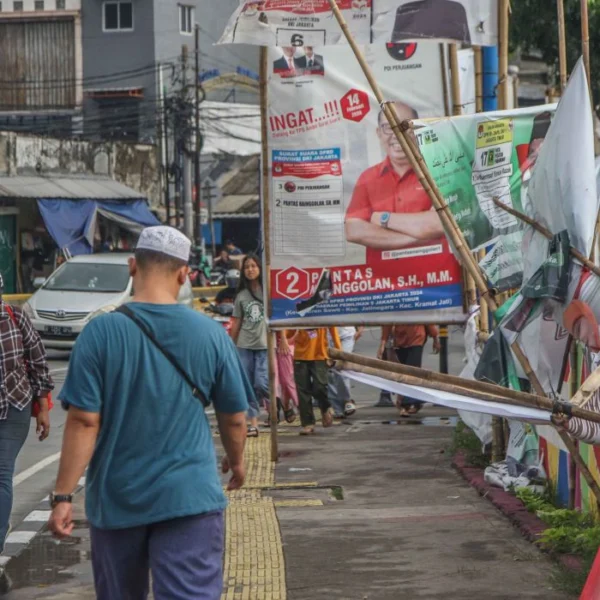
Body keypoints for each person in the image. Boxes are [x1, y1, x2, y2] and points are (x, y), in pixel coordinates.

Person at [48, 226, 252, 600]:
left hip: (118, 498)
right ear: (184, 274)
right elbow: (234, 417)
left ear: (131, 266)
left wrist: (63, 497)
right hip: (188, 498)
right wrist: (237, 462)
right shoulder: (211, 334)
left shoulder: (99, 333)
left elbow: (83, 422)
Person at [345, 101, 445, 262]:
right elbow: (353, 230)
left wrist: (382, 218)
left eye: (404, 126)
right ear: (378, 133)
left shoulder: (438, 171)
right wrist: (418, 235)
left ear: (417, 130)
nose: (396, 134)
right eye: (387, 127)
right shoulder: (367, 177)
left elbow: (439, 224)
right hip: (380, 280)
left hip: (436, 276)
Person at [0, 273, 52, 553]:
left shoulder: (15, 318)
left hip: (14, 406)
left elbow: (38, 361)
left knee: (2, 471)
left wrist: (43, 409)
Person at [230, 254, 267, 437]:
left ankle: (275, 402)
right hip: (244, 345)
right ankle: (254, 423)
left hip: (265, 345)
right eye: (247, 267)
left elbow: (276, 318)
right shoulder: (241, 296)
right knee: (249, 385)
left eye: (253, 266)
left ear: (260, 269)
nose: (250, 269)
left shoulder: (268, 292)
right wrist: (230, 345)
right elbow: (236, 323)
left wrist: (283, 339)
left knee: (261, 382)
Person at [377, 323, 440, 416]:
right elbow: (388, 322)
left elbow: (426, 317)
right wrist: (383, 343)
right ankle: (414, 402)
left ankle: (406, 404)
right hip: (400, 339)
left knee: (411, 371)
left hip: (417, 338)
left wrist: (435, 337)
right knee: (404, 372)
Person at [293, 327, 342, 435]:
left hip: (319, 354)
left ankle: (325, 407)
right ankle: (307, 423)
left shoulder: (321, 310)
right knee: (303, 391)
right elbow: (287, 331)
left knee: (319, 386)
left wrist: (338, 352)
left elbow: (333, 328)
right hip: (300, 355)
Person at [328, 326, 363, 418]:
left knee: (342, 369)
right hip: (326, 337)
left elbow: (358, 312)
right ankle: (337, 409)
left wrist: (360, 328)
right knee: (329, 373)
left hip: (346, 335)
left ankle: (347, 400)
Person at [276, 330, 298, 423]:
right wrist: (284, 340)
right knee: (286, 380)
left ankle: (287, 404)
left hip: (297, 344)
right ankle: (293, 404)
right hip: (279, 344)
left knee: (289, 379)